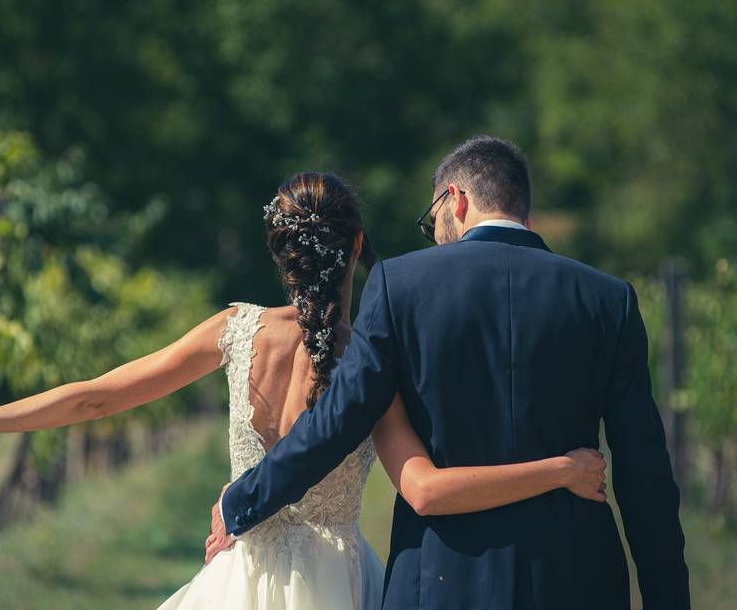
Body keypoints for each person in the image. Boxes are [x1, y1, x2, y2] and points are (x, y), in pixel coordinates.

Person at [0, 170, 608, 610]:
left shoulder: (234, 330)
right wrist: (562, 469)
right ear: (359, 244)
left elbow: (93, 397)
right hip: (343, 586)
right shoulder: (373, 361)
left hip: (237, 579)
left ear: (280, 252)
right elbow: (424, 489)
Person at [209, 139, 691, 609]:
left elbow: (339, 418)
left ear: (455, 200)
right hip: (576, 580)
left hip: (442, 579)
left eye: (432, 220)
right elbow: (644, 472)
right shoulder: (609, 301)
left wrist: (243, 500)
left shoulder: (400, 285)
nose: (435, 234)